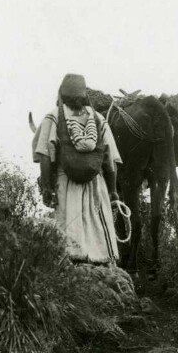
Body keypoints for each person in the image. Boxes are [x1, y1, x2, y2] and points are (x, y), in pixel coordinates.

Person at [32, 73, 122, 265]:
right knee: (97, 228)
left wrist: (47, 188)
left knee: (68, 233)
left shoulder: (53, 117)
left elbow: (45, 156)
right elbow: (110, 162)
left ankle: (73, 269)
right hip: (96, 183)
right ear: (84, 95)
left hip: (66, 183)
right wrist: (113, 192)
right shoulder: (98, 119)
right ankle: (100, 266)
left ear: (61, 94)